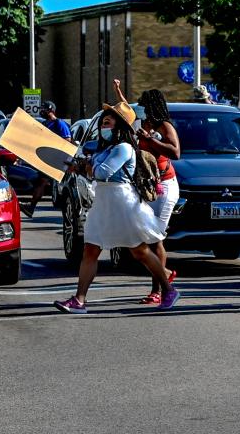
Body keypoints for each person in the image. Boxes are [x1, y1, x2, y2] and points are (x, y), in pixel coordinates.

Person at [53, 104, 178, 313]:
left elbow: (103, 172)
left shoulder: (124, 148)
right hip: (104, 202)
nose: (104, 126)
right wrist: (81, 167)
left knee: (140, 251)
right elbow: (95, 172)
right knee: (91, 250)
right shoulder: (107, 148)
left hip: (122, 203)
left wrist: (85, 167)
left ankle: (168, 289)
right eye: (103, 122)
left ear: (120, 125)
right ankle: (79, 300)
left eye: (108, 122)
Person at [124, 83, 181, 305]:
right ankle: (164, 273)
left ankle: (158, 290)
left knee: (155, 237)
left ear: (153, 105)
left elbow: (176, 152)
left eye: (144, 104)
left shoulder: (164, 126)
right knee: (143, 236)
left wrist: (152, 140)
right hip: (147, 187)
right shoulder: (143, 124)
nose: (141, 107)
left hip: (165, 187)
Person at [23, 100, 74, 219]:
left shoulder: (59, 123)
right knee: (40, 182)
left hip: (56, 159)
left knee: (49, 184)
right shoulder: (45, 124)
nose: (41, 111)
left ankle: (31, 207)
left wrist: (51, 144)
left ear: (50, 110)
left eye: (43, 109)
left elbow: (67, 140)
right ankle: (31, 207)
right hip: (47, 159)